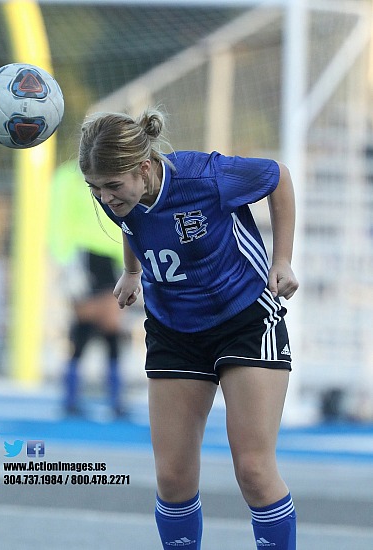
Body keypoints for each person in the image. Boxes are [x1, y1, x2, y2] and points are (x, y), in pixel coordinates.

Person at [78, 107, 299, 550]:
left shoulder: (207, 177)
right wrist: (132, 271)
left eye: (112, 187)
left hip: (245, 319)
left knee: (254, 471)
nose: (104, 198)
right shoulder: (121, 192)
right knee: (173, 478)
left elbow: (278, 177)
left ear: (144, 168)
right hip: (173, 329)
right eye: (95, 189)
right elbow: (132, 221)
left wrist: (283, 259)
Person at [48, 160, 126, 417]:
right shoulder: (69, 176)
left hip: (114, 258)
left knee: (111, 330)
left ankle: (112, 399)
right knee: (87, 326)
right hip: (85, 256)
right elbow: (58, 217)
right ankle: (73, 397)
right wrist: (65, 260)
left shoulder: (118, 171)